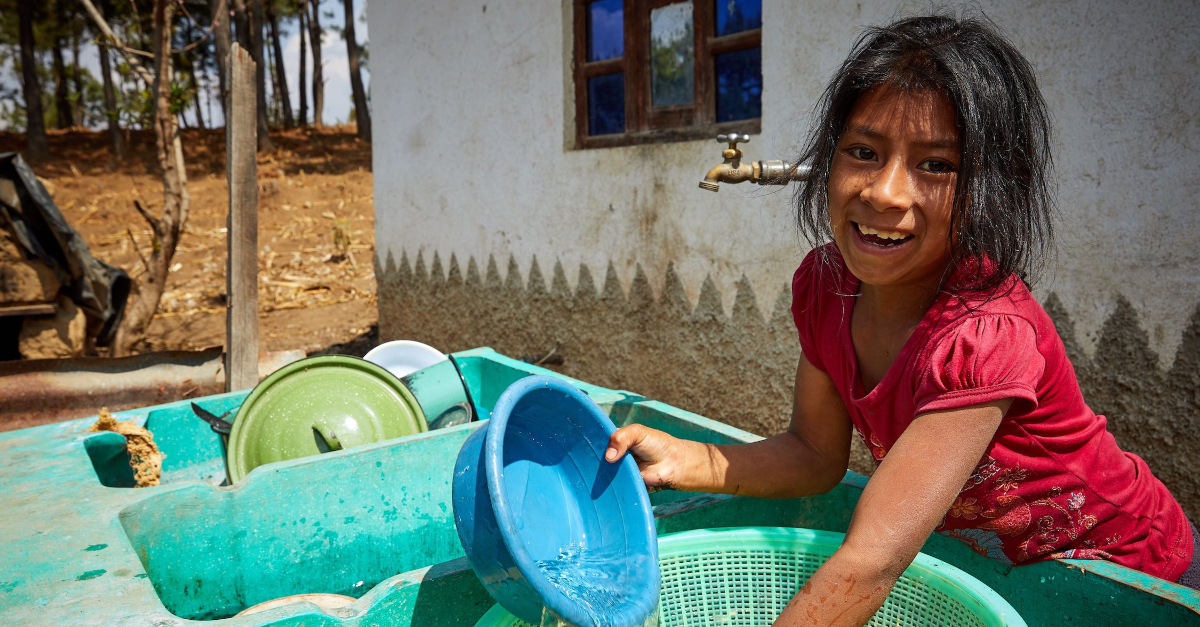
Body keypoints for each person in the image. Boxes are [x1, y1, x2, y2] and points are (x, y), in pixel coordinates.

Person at [605, 13, 1197, 626]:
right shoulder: (826, 287)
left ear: (990, 189)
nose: (885, 193)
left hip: (1131, 576)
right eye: (863, 152)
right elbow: (813, 452)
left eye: (936, 165)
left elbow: (869, 563)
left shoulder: (982, 336)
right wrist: (688, 459)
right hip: (1004, 566)